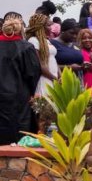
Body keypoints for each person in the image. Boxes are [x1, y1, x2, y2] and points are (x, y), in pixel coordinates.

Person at [0, 14, 40, 144]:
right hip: (19, 94)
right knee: (19, 126)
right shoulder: (26, 47)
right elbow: (33, 73)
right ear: (20, 29)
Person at [25, 13, 58, 97]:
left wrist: (60, 77)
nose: (50, 28)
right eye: (48, 25)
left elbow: (53, 60)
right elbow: (40, 65)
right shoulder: (33, 40)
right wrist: (55, 79)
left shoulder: (47, 41)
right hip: (45, 79)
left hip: (54, 78)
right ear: (40, 27)